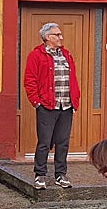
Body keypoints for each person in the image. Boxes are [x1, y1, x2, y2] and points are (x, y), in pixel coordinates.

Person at [24, 22, 80, 190]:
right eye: (57, 34)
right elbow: (30, 80)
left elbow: (72, 79)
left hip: (66, 106)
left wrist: (75, 99)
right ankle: (40, 175)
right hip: (47, 106)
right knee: (44, 142)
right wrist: (37, 103)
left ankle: (60, 175)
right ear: (48, 37)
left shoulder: (66, 54)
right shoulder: (36, 55)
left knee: (63, 142)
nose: (61, 37)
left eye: (60, 34)